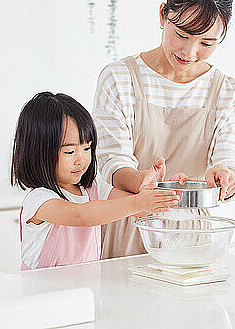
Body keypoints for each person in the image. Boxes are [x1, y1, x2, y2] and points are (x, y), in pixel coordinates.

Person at [93, 0, 235, 259]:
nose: (190, 51)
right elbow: (113, 163)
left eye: (206, 43)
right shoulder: (119, 78)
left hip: (194, 237)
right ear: (163, 15)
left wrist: (226, 175)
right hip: (130, 227)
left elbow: (230, 158)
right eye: (182, 35)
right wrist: (147, 184)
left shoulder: (225, 89)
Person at [11, 92, 179, 270]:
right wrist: (139, 202)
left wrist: (165, 192)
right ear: (38, 153)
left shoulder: (92, 189)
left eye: (87, 148)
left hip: (85, 289)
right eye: (70, 152)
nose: (81, 159)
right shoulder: (39, 200)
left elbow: (138, 210)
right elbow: (81, 215)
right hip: (43, 292)